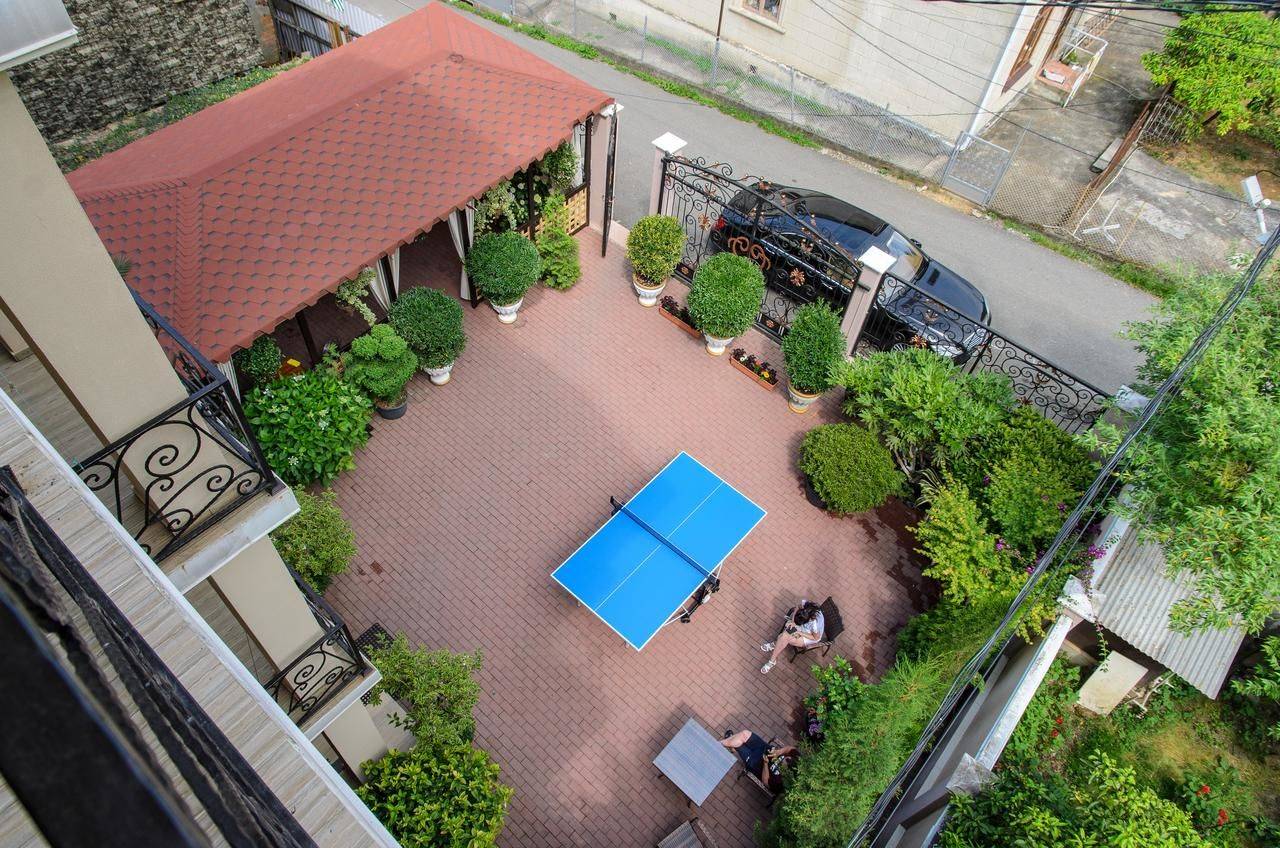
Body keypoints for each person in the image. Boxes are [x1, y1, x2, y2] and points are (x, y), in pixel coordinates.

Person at [721, 730, 798, 794]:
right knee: (744, 734)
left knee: (739, 745)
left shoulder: (781, 784)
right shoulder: (800, 764)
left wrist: (765, 763)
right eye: (785, 757)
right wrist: (779, 752)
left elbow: (765, 781)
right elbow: (790, 749)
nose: (784, 758)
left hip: (755, 763)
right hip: (764, 748)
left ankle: (721, 743)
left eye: (783, 763)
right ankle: (728, 744)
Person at [759, 599, 824, 673]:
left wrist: (800, 633)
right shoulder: (805, 606)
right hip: (802, 627)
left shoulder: (815, 624)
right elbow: (797, 607)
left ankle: (773, 656)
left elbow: (815, 637)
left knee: (784, 637)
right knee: (784, 636)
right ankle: (773, 657)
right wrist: (793, 621)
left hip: (809, 636)